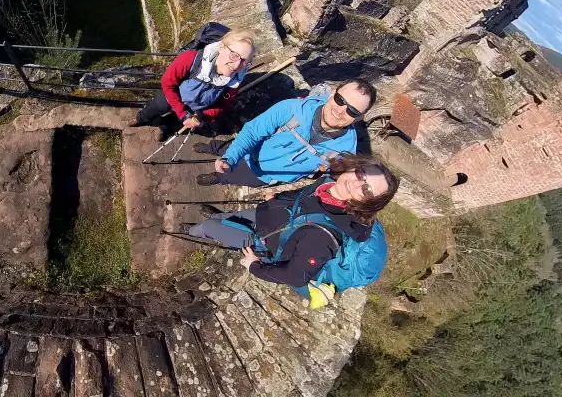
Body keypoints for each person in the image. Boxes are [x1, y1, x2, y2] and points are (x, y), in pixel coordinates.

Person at [187, 153, 397, 304]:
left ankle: (192, 230)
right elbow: (303, 196)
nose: (356, 183)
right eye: (361, 174)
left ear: (369, 204)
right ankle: (213, 219)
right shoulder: (328, 183)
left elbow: (296, 276)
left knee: (210, 227)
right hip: (269, 216)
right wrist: (279, 198)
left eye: (367, 189)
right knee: (224, 218)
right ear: (355, 166)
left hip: (261, 243)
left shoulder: (325, 236)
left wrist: (255, 267)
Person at [195, 78, 376, 187]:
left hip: (264, 176)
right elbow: (252, 132)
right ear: (332, 93)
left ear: (359, 118)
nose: (340, 110)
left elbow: (329, 181)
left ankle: (219, 178)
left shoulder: (345, 155)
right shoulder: (291, 108)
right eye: (340, 99)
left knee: (232, 176)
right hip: (251, 149)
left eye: (352, 111)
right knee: (228, 150)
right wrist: (231, 158)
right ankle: (212, 147)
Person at [131, 30, 257, 137]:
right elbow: (168, 83)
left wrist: (202, 117)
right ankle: (141, 118)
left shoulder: (234, 82)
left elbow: (221, 105)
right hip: (173, 97)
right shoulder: (191, 59)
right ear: (222, 47)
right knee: (157, 106)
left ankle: (165, 128)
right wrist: (183, 113)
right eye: (234, 55)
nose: (237, 66)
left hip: (196, 110)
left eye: (245, 60)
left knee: (178, 123)